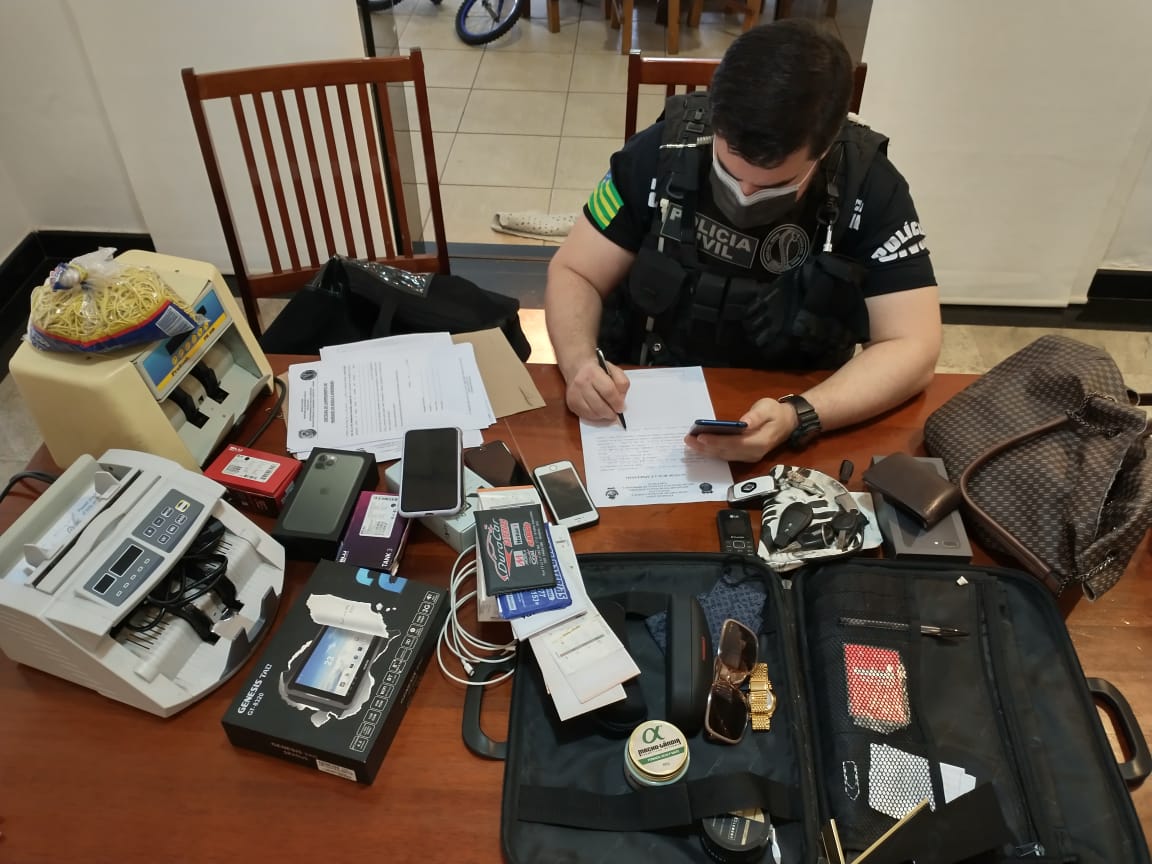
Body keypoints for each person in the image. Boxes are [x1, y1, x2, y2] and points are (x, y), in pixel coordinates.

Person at [544, 19, 941, 463]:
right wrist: (580, 363)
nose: (745, 194)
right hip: (644, 399)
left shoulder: (867, 186)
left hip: (796, 412)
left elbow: (913, 346)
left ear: (826, 146)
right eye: (729, 171)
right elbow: (575, 270)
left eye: (776, 183)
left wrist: (798, 415)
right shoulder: (662, 152)